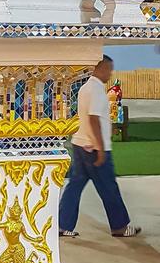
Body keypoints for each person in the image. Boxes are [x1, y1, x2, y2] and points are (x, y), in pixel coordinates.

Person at [59, 56, 141, 239]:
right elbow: (94, 119)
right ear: (100, 68)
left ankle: (63, 225)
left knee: (75, 186)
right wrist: (101, 149)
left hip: (80, 144)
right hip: (93, 149)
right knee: (109, 188)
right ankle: (119, 226)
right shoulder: (96, 89)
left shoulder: (84, 88)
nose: (110, 73)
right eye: (109, 69)